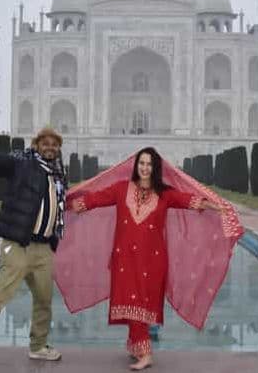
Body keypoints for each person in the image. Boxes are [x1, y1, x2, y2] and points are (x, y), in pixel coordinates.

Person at [55, 147, 243, 371]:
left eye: (149, 165)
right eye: (141, 164)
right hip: (124, 260)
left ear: (155, 169)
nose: (144, 168)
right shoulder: (121, 189)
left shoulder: (165, 193)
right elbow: (94, 199)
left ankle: (146, 354)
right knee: (129, 303)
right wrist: (62, 203)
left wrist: (216, 205)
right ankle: (136, 346)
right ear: (136, 166)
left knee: (140, 304)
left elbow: (190, 201)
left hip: (151, 262)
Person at [0, 127, 67, 373]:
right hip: (18, 244)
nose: (50, 147)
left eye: (54, 144)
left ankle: (38, 346)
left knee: (44, 300)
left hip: (43, 247)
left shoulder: (58, 174)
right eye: (45, 143)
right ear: (37, 144)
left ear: (59, 148)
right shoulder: (22, 164)